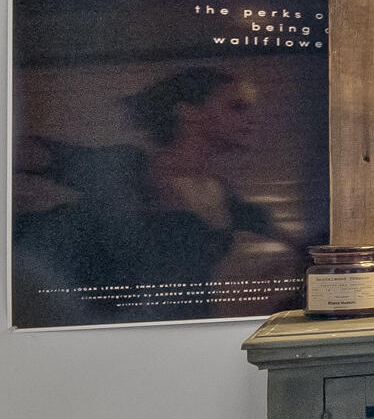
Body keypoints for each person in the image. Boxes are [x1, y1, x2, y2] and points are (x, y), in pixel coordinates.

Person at [12, 65, 290, 320]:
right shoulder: (130, 167)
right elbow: (38, 155)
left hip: (189, 336)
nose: (251, 119)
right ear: (188, 112)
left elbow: (296, 242)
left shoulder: (223, 194)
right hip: (117, 338)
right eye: (236, 107)